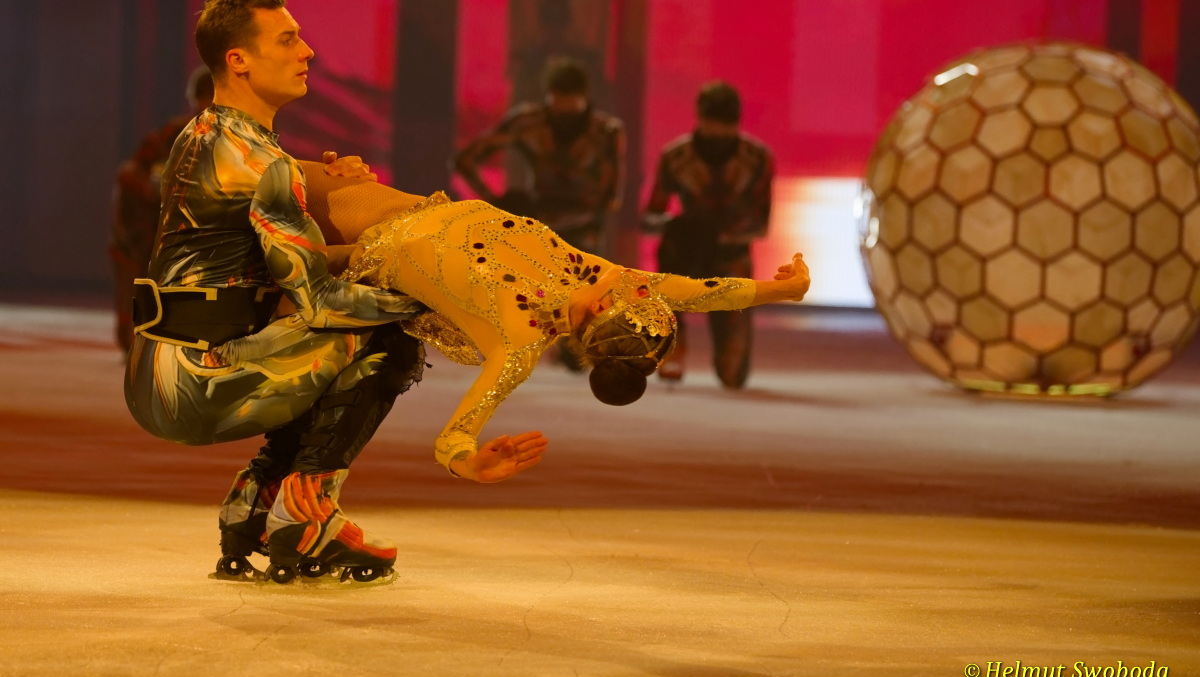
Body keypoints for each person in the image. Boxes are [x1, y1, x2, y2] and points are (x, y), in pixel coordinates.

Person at [123, 0, 430, 584]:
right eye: (288, 39)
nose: (307, 51)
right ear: (238, 59)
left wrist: (348, 220)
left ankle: (255, 504)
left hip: (158, 369)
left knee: (318, 338)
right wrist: (421, 298)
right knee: (387, 334)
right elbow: (320, 301)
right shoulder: (262, 163)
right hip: (199, 380)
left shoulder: (206, 135)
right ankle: (305, 515)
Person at [224, 172, 811, 483]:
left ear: (603, 314)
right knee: (245, 171)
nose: (640, 281)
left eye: (634, 294)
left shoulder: (519, 343)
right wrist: (778, 290)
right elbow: (696, 290)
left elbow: (458, 432)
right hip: (397, 207)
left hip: (357, 253)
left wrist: (469, 462)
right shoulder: (589, 274)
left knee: (242, 217)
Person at [643, 81, 775, 389]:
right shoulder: (676, 157)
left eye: (726, 124)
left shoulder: (757, 159)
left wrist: (721, 235)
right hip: (684, 252)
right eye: (713, 122)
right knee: (667, 269)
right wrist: (681, 226)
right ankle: (673, 344)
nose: (718, 132)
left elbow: (760, 223)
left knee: (732, 375)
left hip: (731, 256)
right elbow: (651, 215)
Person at [450, 56, 624, 256]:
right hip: (538, 231)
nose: (564, 124)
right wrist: (497, 204)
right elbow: (465, 160)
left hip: (581, 236)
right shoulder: (529, 124)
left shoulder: (605, 132)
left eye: (570, 115)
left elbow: (611, 197)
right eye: (560, 114)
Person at [109, 67, 213, 353]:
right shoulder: (178, 133)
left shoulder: (236, 139)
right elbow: (133, 174)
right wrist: (156, 191)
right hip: (150, 235)